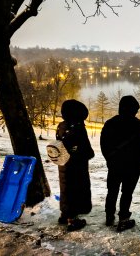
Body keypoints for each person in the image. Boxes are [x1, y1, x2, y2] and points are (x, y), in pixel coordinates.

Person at [100, 95, 140, 232]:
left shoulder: (110, 123)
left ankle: (109, 216)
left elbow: (104, 144)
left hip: (115, 165)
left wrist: (109, 159)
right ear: (134, 110)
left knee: (112, 191)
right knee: (127, 192)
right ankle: (123, 219)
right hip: (132, 167)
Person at [56, 99, 95, 232]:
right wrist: (89, 154)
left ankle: (64, 214)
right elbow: (86, 149)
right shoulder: (78, 128)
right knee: (77, 189)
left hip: (63, 163)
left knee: (65, 188)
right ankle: (73, 220)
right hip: (77, 165)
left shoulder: (61, 126)